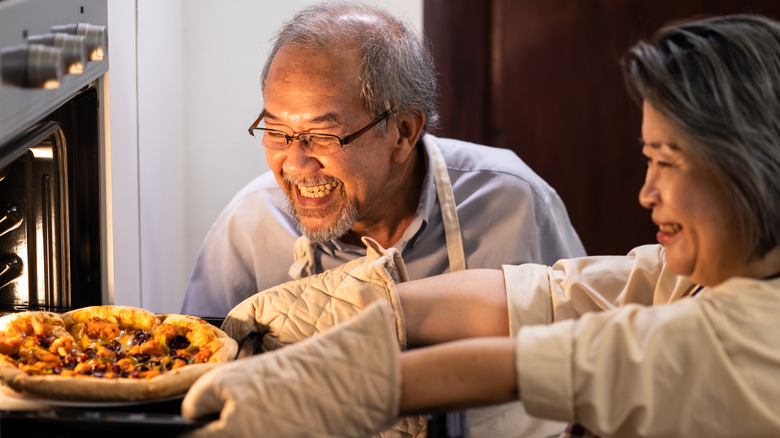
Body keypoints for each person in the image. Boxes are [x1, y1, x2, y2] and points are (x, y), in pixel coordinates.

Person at [180, 13, 780, 438]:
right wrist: (357, 304)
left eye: (668, 163)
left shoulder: (753, 338)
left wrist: (331, 385)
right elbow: (549, 295)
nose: (646, 192)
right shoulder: (687, 271)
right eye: (279, 131)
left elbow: (532, 363)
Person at [182, 2, 584, 436]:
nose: (295, 165)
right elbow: (189, 377)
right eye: (277, 131)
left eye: (322, 135)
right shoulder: (249, 225)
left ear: (403, 133)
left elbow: (585, 359)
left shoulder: (514, 201)